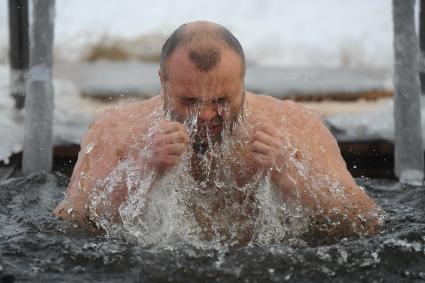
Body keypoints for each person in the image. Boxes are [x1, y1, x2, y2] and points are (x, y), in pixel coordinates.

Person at [54, 21, 382, 244]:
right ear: (162, 81)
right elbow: (70, 223)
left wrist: (292, 174)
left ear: (243, 82)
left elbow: (365, 222)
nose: (206, 114)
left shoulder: (295, 127)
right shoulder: (118, 131)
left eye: (223, 100)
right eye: (189, 101)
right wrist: (142, 169)